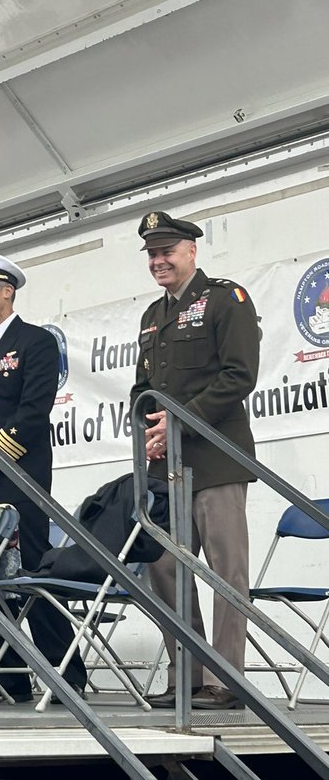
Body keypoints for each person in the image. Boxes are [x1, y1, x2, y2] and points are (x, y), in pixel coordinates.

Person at [130, 210, 259, 710]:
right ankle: (187, 675)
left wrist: (178, 421)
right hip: (168, 467)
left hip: (216, 461)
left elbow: (238, 375)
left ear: (192, 251)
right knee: (164, 567)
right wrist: (149, 429)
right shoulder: (151, 316)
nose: (159, 260)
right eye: (152, 254)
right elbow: (144, 389)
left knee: (227, 572)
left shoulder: (226, 300)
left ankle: (225, 682)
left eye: (167, 251)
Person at [0, 249, 87, 701]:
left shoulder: (36, 342)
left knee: (30, 570)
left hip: (20, 474)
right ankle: (10, 675)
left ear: (7, 290)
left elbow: (34, 410)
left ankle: (67, 673)